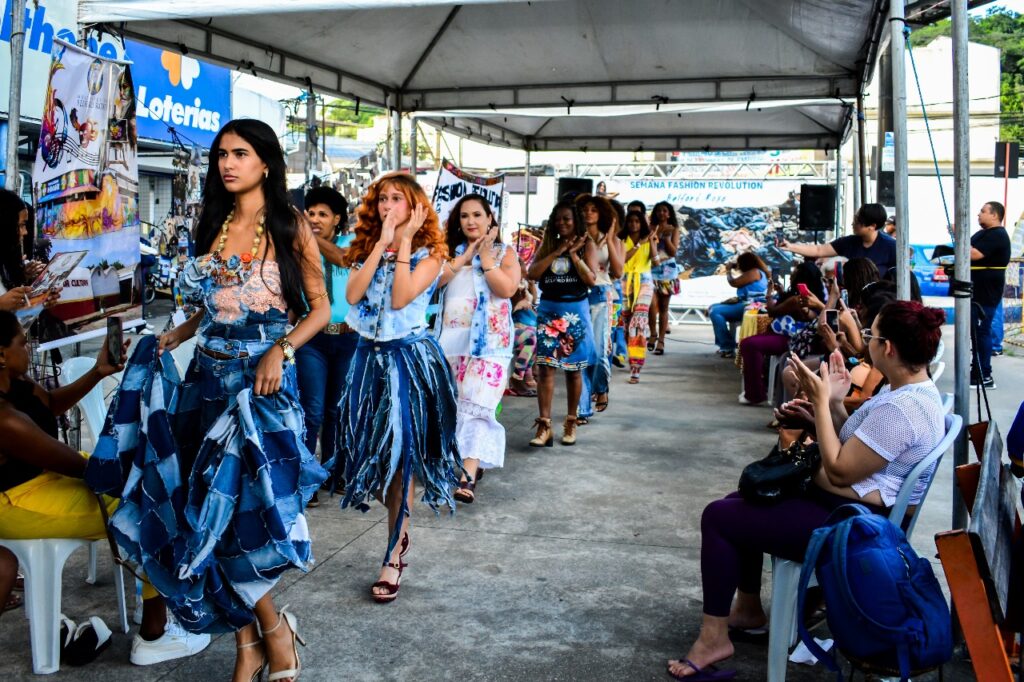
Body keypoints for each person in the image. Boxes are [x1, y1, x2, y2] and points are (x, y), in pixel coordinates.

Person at [88, 119, 330, 682]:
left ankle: (270, 635)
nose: (227, 163)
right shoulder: (214, 224)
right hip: (205, 382)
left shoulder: (290, 225)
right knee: (205, 520)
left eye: (240, 154)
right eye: (222, 154)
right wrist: (179, 333)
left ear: (265, 163)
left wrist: (281, 352)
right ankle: (256, 642)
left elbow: (319, 310)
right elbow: (216, 301)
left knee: (247, 517)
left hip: (261, 389)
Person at [668, 301, 947, 679]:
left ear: (890, 348)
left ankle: (713, 637)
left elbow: (840, 468)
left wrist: (819, 405)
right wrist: (830, 405)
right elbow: (860, 445)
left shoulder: (902, 411)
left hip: (853, 528)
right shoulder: (909, 392)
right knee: (741, 501)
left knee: (718, 517)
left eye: (871, 336)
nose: (866, 341)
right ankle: (747, 611)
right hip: (852, 509)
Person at [0, 312, 213, 665]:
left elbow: (50, 405)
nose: (29, 347)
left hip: (43, 477)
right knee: (149, 506)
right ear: (2, 354)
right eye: (22, 343)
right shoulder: (5, 419)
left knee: (151, 486)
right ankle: (154, 634)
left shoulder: (17, 384)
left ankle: (156, 600)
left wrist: (99, 372)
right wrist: (133, 470)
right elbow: (82, 468)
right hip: (18, 500)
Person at [337, 172, 461, 604]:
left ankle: (393, 554)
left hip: (408, 362)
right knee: (377, 467)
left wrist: (404, 240)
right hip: (368, 363)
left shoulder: (431, 254)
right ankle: (398, 531)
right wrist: (380, 244)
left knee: (403, 461)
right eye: (383, 198)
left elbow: (400, 297)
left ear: (416, 208)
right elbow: (352, 295)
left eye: (399, 199)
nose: (389, 205)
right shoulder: (364, 249)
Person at [436, 193, 520, 504]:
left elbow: (507, 289)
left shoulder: (504, 253)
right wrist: (467, 255)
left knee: (478, 407)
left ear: (490, 219)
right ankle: (466, 461)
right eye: (464, 216)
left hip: (490, 345)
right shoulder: (449, 253)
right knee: (456, 408)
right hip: (450, 344)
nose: (471, 221)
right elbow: (435, 283)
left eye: (477, 215)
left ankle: (467, 476)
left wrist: (485, 260)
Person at [296, 186, 356, 507]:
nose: (315, 219)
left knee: (337, 410)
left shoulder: (351, 243)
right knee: (313, 410)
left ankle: (333, 473)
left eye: (322, 214)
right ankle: (307, 479)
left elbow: (344, 259)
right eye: (311, 213)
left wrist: (309, 236)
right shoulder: (297, 245)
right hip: (311, 338)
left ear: (337, 219)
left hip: (347, 338)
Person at [527, 200, 599, 447]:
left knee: (573, 369)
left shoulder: (587, 245)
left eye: (567, 219)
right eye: (558, 219)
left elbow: (591, 279)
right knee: (546, 368)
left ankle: (571, 422)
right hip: (549, 310)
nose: (562, 223)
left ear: (575, 221)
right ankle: (544, 426)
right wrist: (556, 252)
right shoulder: (548, 244)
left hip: (574, 312)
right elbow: (532, 273)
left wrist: (571, 255)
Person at [738, 262, 825, 406]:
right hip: (792, 336)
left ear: (800, 277)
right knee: (750, 343)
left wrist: (769, 293)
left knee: (749, 344)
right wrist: (781, 292)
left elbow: (772, 311)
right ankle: (757, 389)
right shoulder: (812, 296)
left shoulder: (796, 299)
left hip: (789, 338)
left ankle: (755, 394)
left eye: (794, 272)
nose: (791, 275)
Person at [577, 194, 623, 421]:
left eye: (593, 209)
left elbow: (618, 272)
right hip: (577, 296)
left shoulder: (614, 240)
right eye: (585, 209)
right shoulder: (576, 238)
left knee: (598, 350)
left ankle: (601, 387)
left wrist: (611, 238)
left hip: (603, 295)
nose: (588, 213)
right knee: (581, 353)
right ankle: (582, 408)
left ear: (602, 213)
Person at [780, 203, 897, 275]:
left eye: (858, 222)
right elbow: (819, 250)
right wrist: (790, 246)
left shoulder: (891, 246)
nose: (853, 224)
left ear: (872, 226)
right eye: (855, 219)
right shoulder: (849, 242)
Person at [970, 200, 1010, 389]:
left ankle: (984, 375)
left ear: (994, 215)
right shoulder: (981, 234)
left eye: (983, 211)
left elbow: (972, 254)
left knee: (982, 331)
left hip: (986, 294)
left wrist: (958, 238)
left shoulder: (998, 235)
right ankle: (977, 370)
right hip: (976, 291)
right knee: (976, 333)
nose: (979, 214)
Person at [708, 252, 770, 358]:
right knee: (713, 307)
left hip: (752, 306)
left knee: (715, 312)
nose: (738, 265)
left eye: (739, 263)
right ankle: (725, 344)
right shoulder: (756, 272)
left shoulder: (754, 272)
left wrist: (728, 270)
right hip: (746, 303)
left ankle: (727, 346)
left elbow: (734, 283)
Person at [619, 210, 657, 384]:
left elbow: (656, 261)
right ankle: (632, 355)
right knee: (627, 324)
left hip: (644, 282)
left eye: (637, 221)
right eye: (631, 221)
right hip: (625, 282)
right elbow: (622, 260)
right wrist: (637, 246)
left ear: (642, 223)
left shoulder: (649, 238)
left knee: (638, 323)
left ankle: (636, 367)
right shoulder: (620, 240)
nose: (634, 224)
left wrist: (651, 242)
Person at [0, 190, 45, 313]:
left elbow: (17, 313)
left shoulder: (7, 260)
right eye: (21, 225)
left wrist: (41, 302)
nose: (25, 232)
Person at [648, 201, 681, 355]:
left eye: (664, 210)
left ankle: (661, 340)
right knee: (651, 305)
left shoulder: (674, 229)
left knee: (664, 308)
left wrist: (666, 239)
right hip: (651, 270)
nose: (662, 213)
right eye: (659, 210)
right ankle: (653, 334)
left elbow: (673, 252)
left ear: (669, 214)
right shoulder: (650, 228)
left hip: (668, 271)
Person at [508, 266, 539, 397]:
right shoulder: (508, 286)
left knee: (537, 337)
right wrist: (518, 306)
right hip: (505, 329)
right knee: (531, 337)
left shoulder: (521, 287)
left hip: (512, 327)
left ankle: (522, 375)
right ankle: (519, 378)